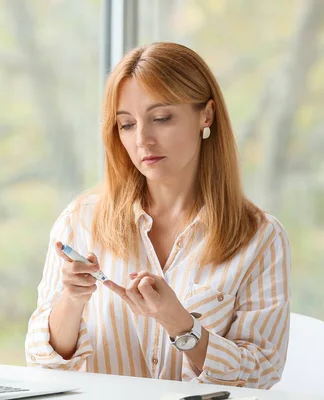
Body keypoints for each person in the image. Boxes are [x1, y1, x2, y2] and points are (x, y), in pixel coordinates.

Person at [25, 42, 290, 390]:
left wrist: (179, 323)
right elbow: (42, 365)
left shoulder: (260, 236)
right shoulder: (80, 221)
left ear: (206, 115)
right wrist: (71, 301)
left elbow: (262, 373)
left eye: (161, 118)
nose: (143, 140)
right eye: (126, 125)